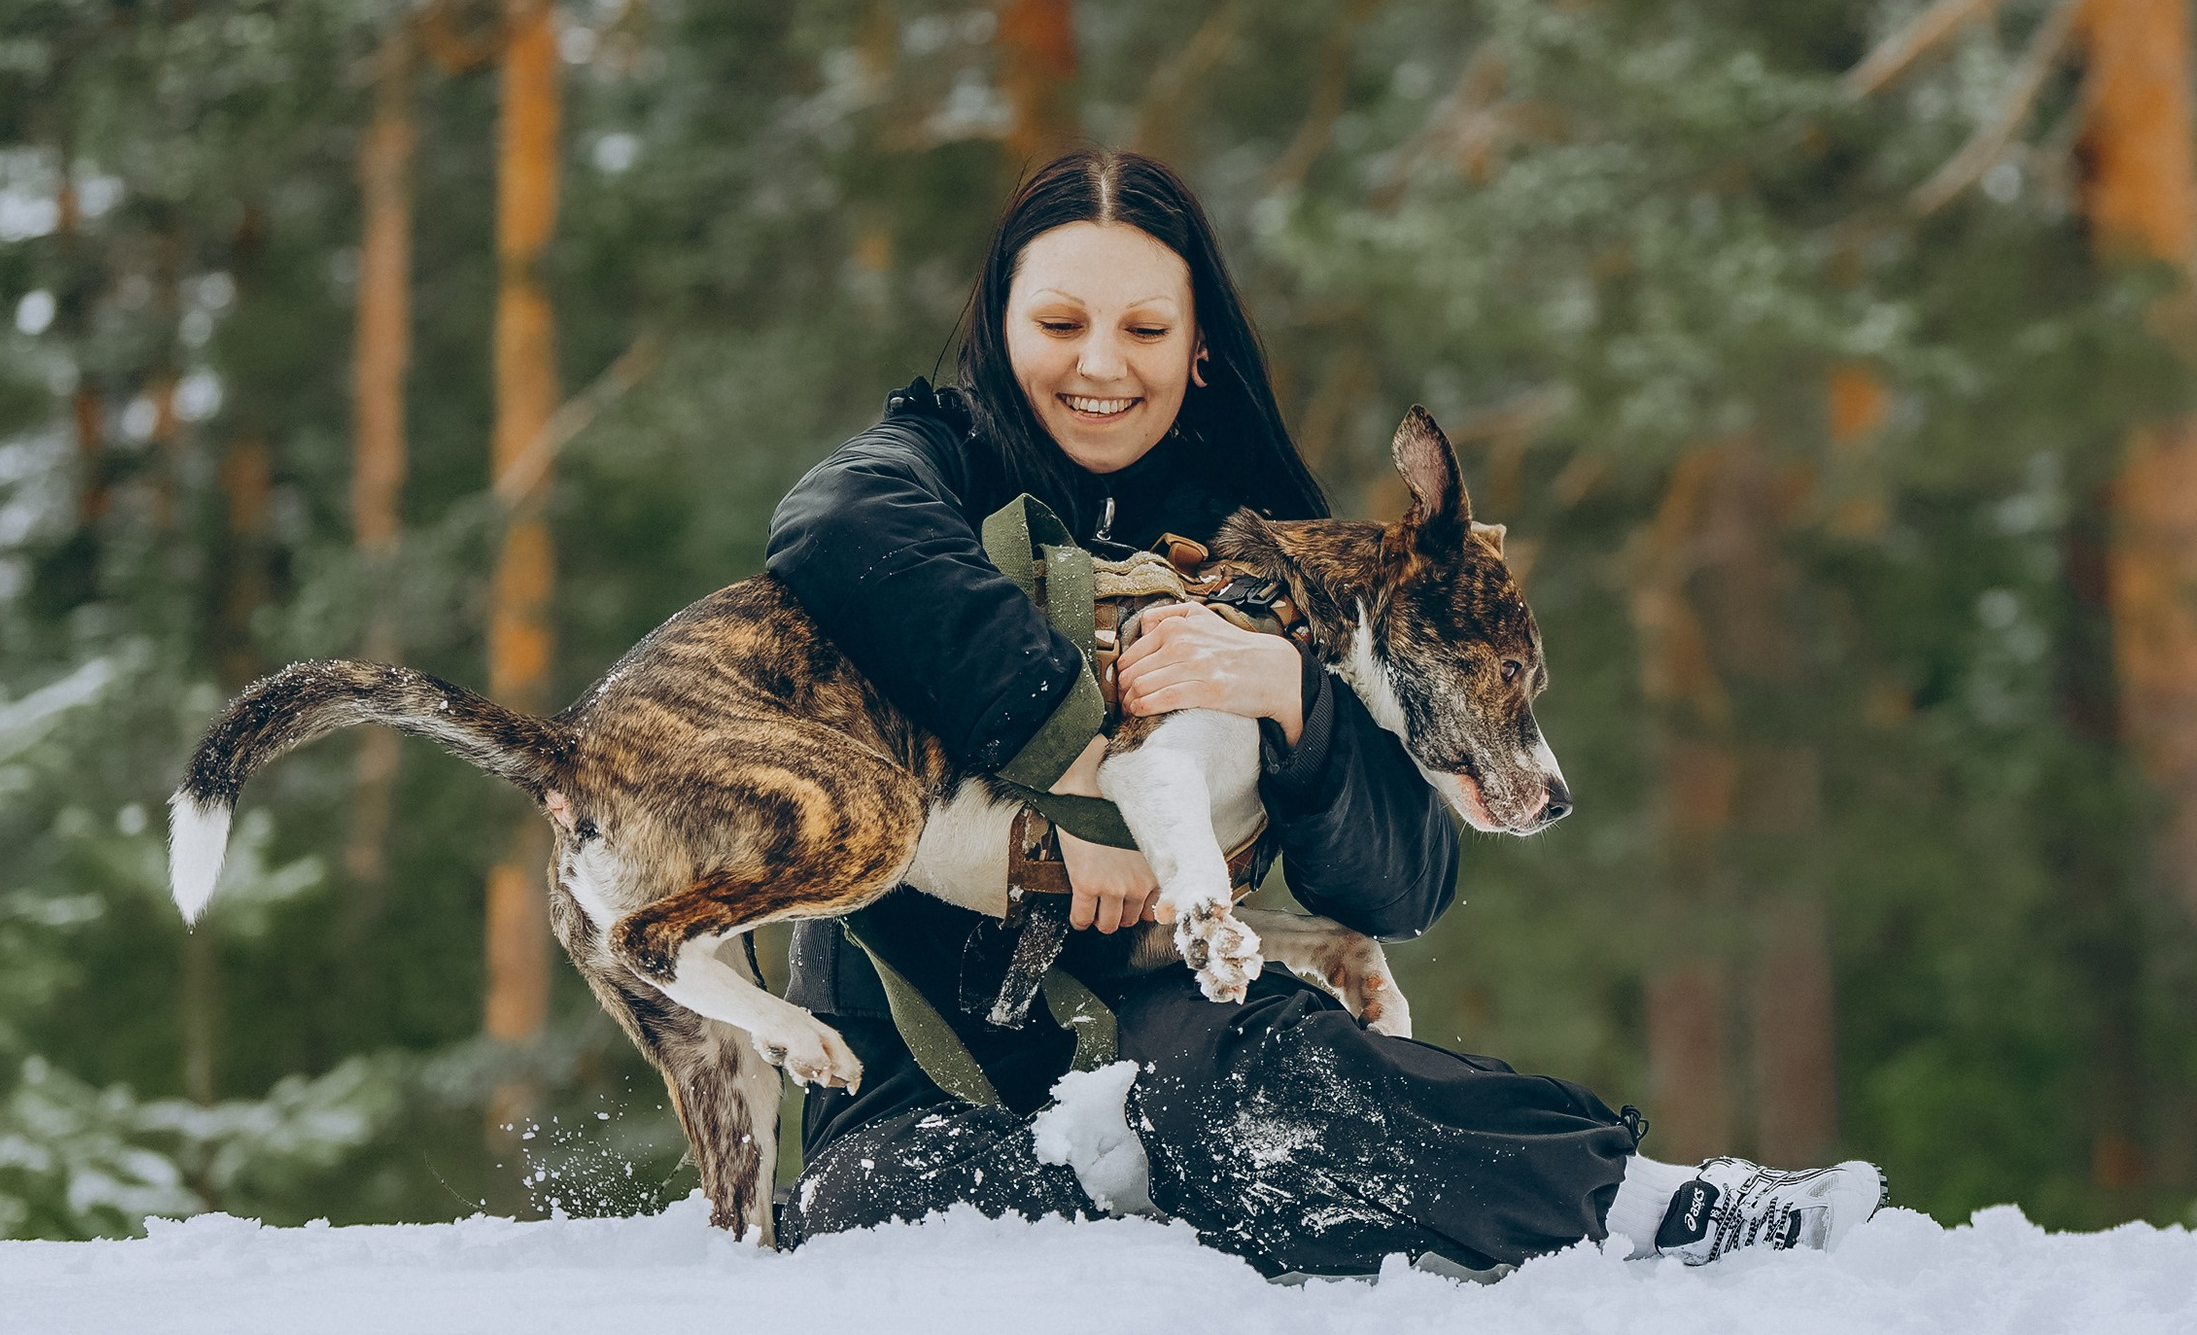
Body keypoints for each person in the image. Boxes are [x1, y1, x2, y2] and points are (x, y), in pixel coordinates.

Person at [763, 147, 1883, 1276]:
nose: (1098, 365)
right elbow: (830, 529)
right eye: (1059, 324)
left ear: (1198, 347)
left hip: (1169, 1025)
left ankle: (1649, 1206)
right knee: (888, 1208)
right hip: (913, 1060)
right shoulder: (923, 468)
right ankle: (1159, 1198)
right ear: (1000, 328)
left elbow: (1407, 884)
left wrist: (1296, 704)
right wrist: (1077, 761)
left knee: (1254, 1094)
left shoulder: (1271, 554)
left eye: (1144, 331)